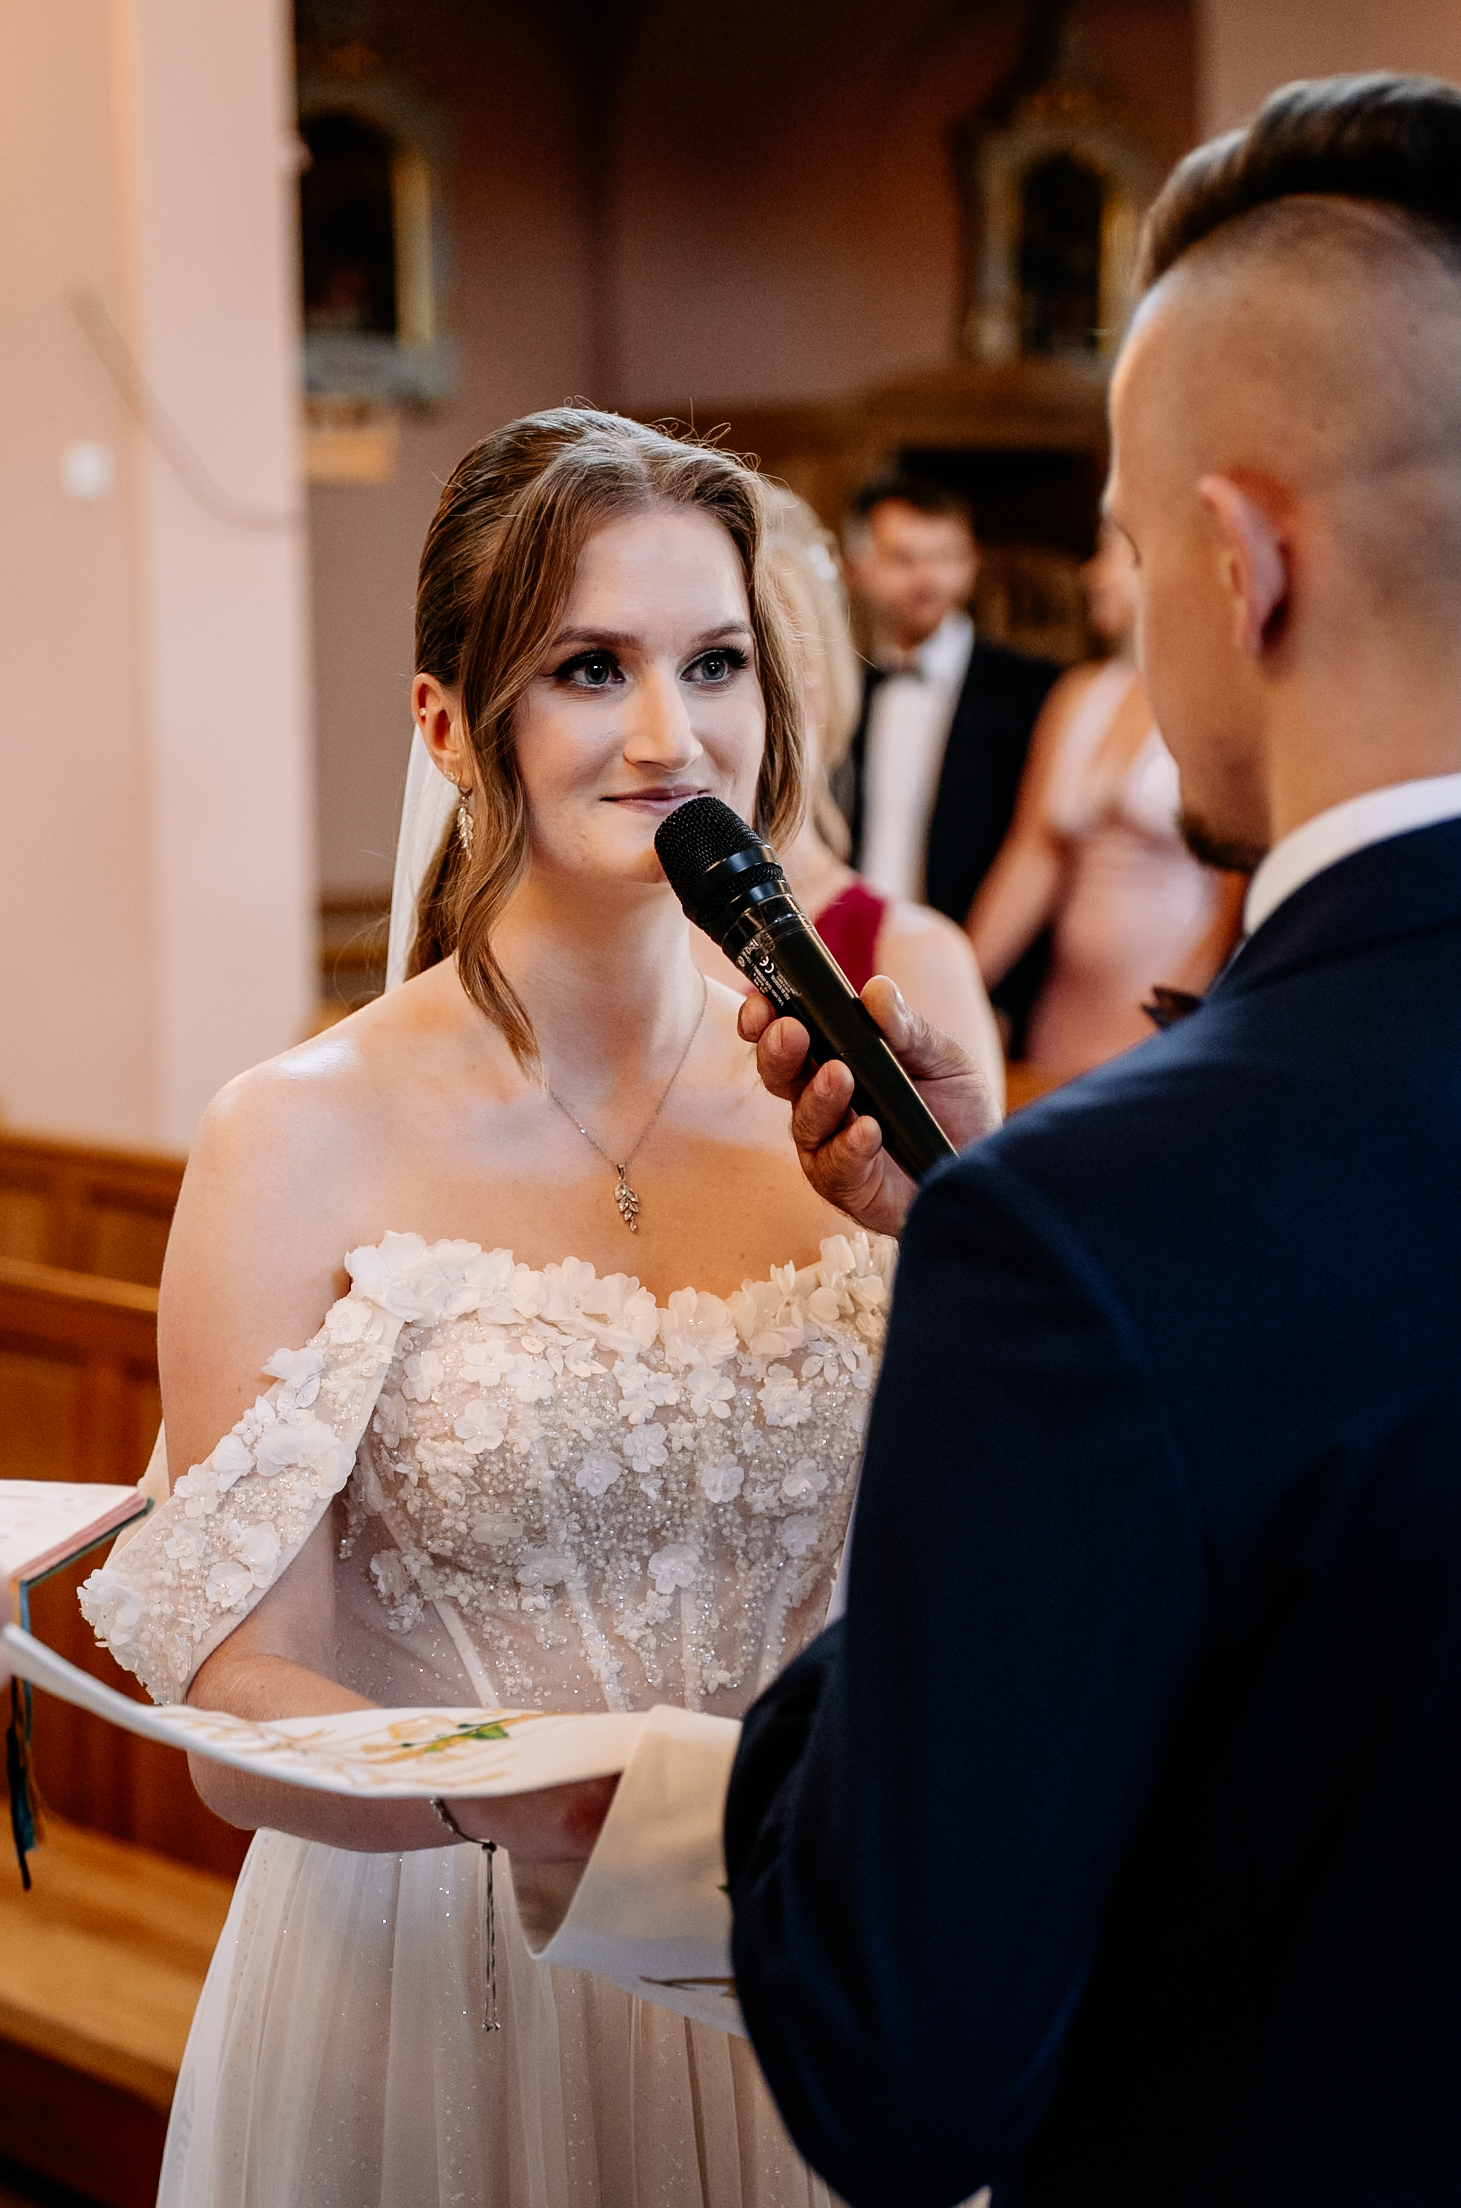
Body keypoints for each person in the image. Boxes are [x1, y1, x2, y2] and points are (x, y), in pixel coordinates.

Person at [720, 72, 1461, 2207]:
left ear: (1240, 562)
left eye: (1136, 552)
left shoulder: (1105, 1226)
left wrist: (811, 1724)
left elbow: (906, 2071)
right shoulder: (1086, 1223)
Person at [78, 407, 900, 2208]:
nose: (672, 734)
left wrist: (964, 1217)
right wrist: (528, 1794)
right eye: (591, 667)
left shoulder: (854, 1111)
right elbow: (238, 1694)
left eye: (715, 663)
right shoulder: (297, 1133)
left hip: (793, 1962)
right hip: (441, 1984)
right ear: (449, 723)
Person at [691, 485, 1006, 1104]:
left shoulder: (917, 956)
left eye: (771, 670)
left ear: (823, 689)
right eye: (709, 669)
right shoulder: (604, 939)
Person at [967, 520, 1245, 1075]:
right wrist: (960, 980)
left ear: (1159, 567)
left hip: (1164, 1012)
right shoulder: (1078, 694)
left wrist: (1178, 1021)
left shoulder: (1218, 704)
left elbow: (1230, 903)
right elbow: (1032, 858)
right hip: (1065, 1008)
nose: (1090, 575)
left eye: (1108, 556)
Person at [840, 474, 1060, 935]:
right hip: (857, 948)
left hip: (975, 952)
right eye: (904, 559)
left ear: (971, 564)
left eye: (945, 557)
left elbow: (1040, 851)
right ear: (859, 568)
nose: (928, 578)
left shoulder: (1035, 691)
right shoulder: (844, 692)